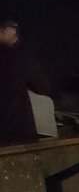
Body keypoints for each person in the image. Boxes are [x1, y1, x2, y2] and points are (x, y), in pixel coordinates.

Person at [0, 16, 54, 144]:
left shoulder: (20, 54)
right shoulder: (22, 54)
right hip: (17, 122)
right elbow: (42, 87)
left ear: (13, 30)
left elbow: (41, 85)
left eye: (2, 29)